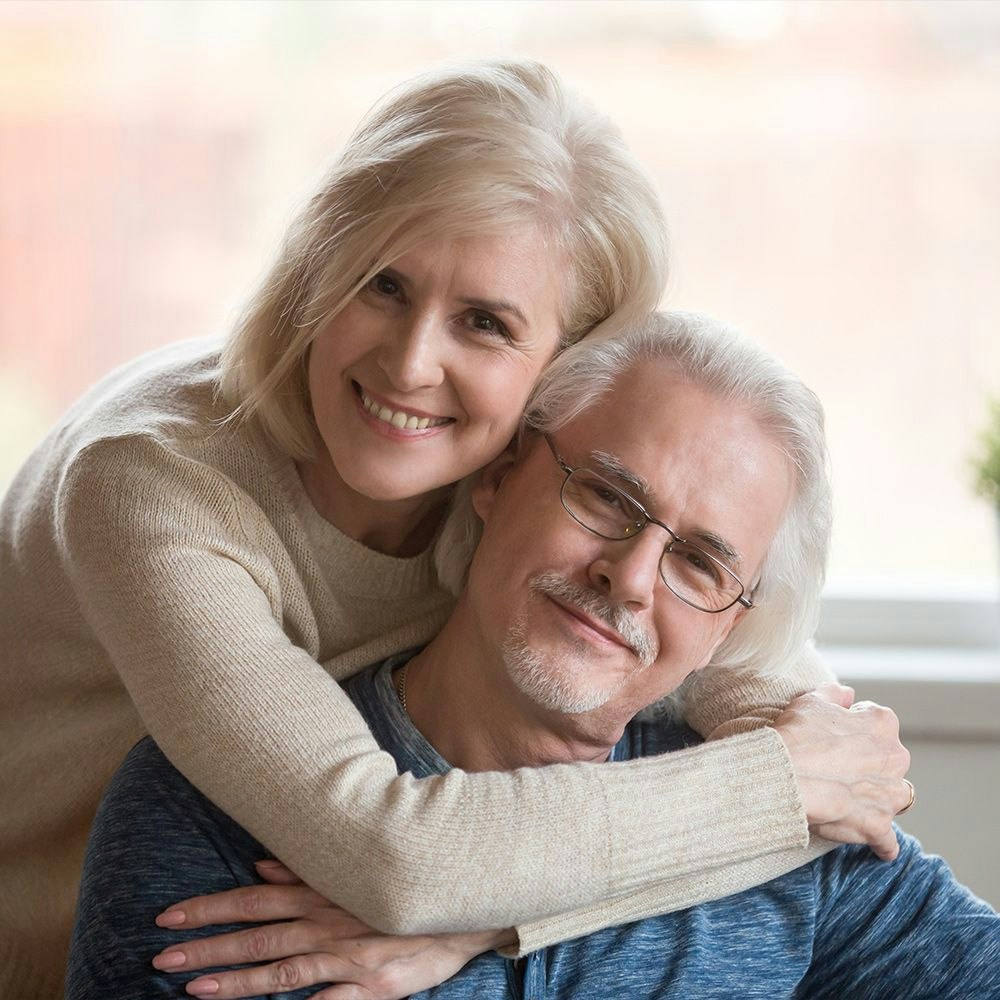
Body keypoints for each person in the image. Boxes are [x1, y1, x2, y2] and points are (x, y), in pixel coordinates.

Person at [0, 62, 906, 1000]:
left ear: (568, 361)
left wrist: (497, 925)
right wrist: (770, 792)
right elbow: (398, 859)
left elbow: (820, 760)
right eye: (382, 285)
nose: (410, 362)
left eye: (484, 322)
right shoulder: (151, 486)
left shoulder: (534, 495)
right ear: (321, 266)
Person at [67, 313, 964, 1000]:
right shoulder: (213, 824)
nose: (632, 579)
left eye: (700, 563)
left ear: (730, 624)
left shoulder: (805, 837)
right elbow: (403, 856)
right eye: (608, 498)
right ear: (495, 477)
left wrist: (494, 922)